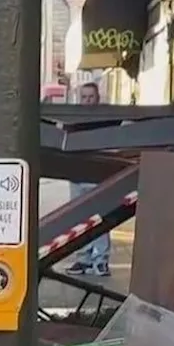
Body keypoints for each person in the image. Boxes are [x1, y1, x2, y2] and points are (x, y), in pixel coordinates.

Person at [66, 82, 112, 277]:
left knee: (100, 218)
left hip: (97, 174)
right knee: (80, 219)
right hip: (77, 174)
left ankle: (101, 261)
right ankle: (83, 259)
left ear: (98, 98)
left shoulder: (107, 119)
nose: (87, 101)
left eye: (90, 97)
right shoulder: (73, 120)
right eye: (83, 97)